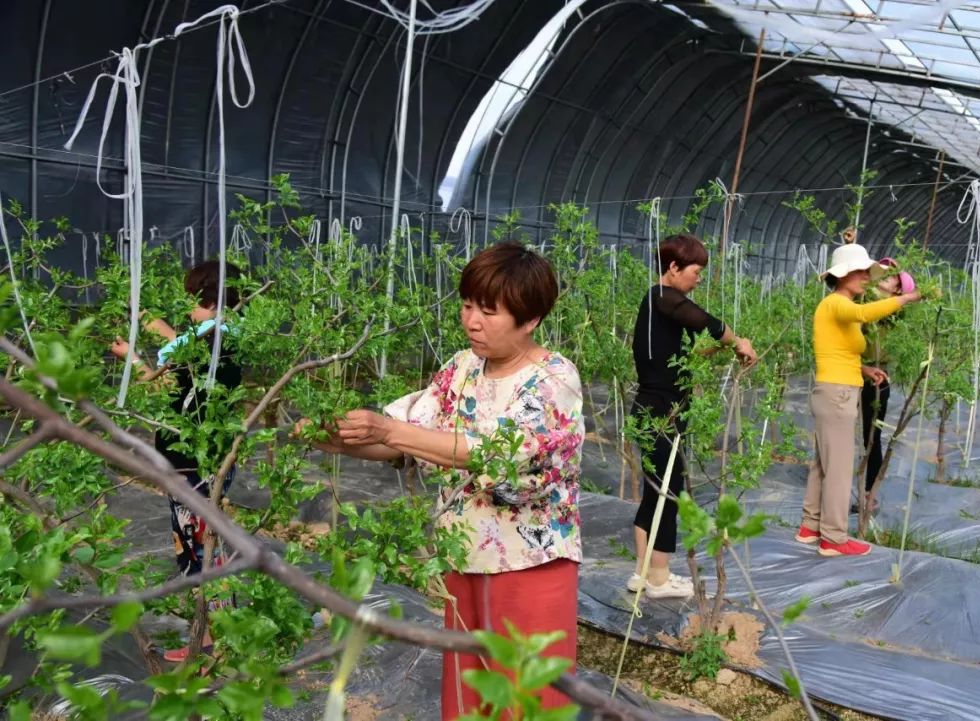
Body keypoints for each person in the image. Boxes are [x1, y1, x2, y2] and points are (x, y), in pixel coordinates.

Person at [306, 242, 584, 719]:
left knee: (528, 694)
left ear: (531, 319)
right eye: (468, 305)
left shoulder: (553, 380)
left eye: (489, 311)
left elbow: (498, 452)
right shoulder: (461, 368)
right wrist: (340, 439)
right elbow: (407, 437)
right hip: (464, 554)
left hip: (529, 564)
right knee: (470, 687)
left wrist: (390, 429)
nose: (472, 320)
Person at [109, 260, 244, 661]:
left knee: (199, 553)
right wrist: (159, 328)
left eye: (194, 302)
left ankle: (214, 647)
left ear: (212, 301)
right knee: (203, 547)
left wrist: (132, 358)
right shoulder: (223, 337)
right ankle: (218, 640)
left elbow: (164, 387)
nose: (189, 311)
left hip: (193, 464)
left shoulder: (210, 341)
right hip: (203, 461)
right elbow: (181, 363)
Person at [628, 234, 757, 599]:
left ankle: (643, 574)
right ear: (673, 268)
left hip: (653, 407)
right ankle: (660, 577)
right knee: (669, 492)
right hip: (663, 412)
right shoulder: (663, 297)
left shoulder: (657, 305)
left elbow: (679, 359)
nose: (698, 279)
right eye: (696, 272)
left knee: (656, 490)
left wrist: (718, 351)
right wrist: (738, 342)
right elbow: (709, 322)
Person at [796, 240, 919, 557]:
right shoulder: (837, 302)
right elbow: (864, 312)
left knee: (823, 462)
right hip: (837, 393)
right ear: (845, 273)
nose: (868, 276)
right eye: (862, 271)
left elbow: (835, 349)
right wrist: (904, 298)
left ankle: (810, 527)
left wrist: (863, 369)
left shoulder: (836, 308)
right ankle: (834, 538)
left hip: (837, 386)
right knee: (838, 467)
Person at [856, 257, 917, 512]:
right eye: (882, 271)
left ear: (898, 290)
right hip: (852, 371)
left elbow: (885, 306)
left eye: (890, 275)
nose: (883, 276)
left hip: (877, 376)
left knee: (872, 436)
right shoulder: (862, 298)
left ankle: (869, 494)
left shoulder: (893, 312)